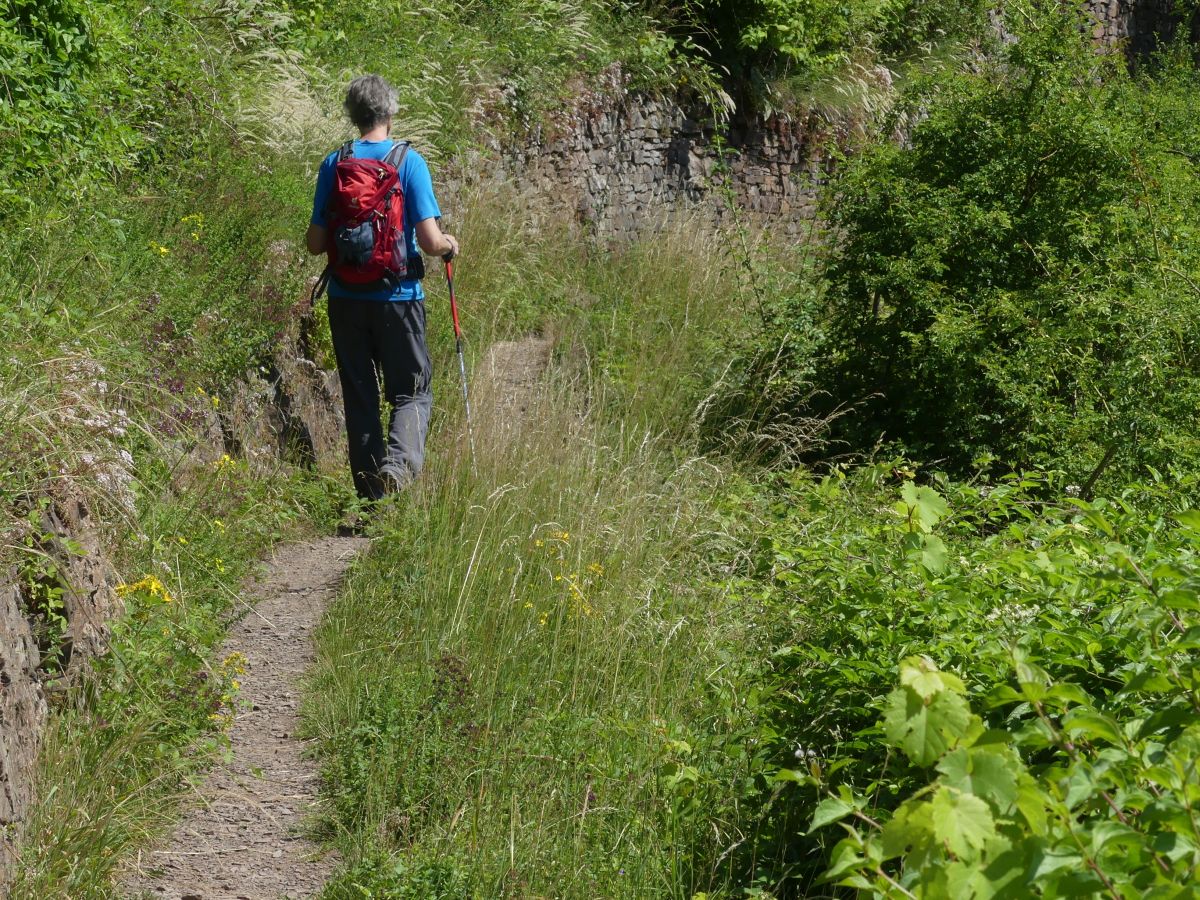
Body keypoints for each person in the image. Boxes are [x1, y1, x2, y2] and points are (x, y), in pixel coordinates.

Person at [306, 74, 459, 501]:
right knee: (411, 393)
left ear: (352, 115)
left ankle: (371, 499)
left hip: (345, 300)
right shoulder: (409, 161)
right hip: (399, 299)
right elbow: (430, 242)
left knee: (360, 398)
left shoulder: (334, 163)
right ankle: (398, 467)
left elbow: (315, 243)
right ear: (390, 113)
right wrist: (449, 245)